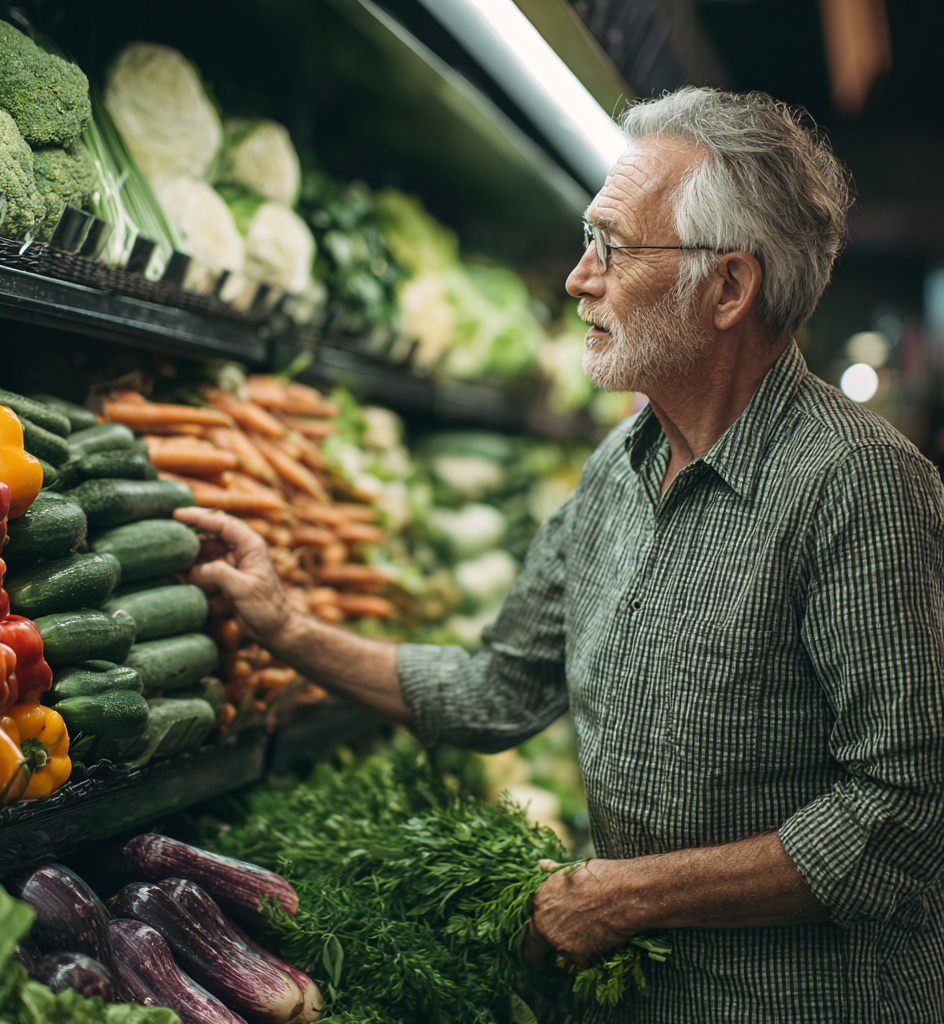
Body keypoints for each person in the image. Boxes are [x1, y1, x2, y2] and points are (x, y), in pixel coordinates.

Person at [175, 86, 944, 1023]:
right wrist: (286, 626)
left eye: (612, 248)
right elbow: (501, 689)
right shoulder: (615, 472)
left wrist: (632, 894)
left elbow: (904, 811)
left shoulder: (856, 486)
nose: (578, 278)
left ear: (729, 288)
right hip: (636, 996)